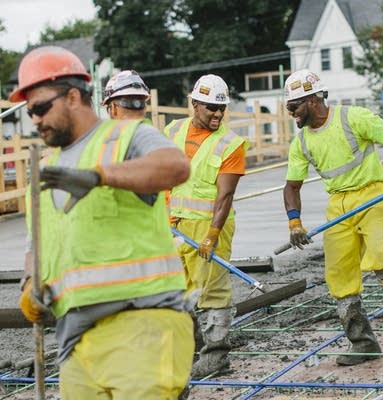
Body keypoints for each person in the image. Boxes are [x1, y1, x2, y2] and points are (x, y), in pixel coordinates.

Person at [12, 46, 194, 399]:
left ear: (73, 96)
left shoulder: (124, 137)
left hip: (143, 324)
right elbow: (38, 244)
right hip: (75, 342)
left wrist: (100, 176)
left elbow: (176, 167)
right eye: (28, 111)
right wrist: (31, 281)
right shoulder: (47, 170)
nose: (34, 119)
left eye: (39, 108)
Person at [282, 69, 383, 366]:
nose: (291, 113)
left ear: (313, 100)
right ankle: (364, 342)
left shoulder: (352, 117)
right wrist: (295, 222)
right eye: (288, 107)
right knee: (340, 276)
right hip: (338, 204)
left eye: (294, 106)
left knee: (382, 256)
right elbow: (292, 186)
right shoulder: (302, 141)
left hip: (372, 194)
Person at [164, 74, 248, 378]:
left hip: (211, 227)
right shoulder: (172, 130)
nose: (217, 114)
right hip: (175, 226)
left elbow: (225, 195)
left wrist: (212, 235)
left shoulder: (231, 143)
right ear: (195, 104)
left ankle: (216, 356)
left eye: (221, 109)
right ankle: (190, 349)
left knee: (213, 290)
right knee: (178, 289)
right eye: (211, 107)